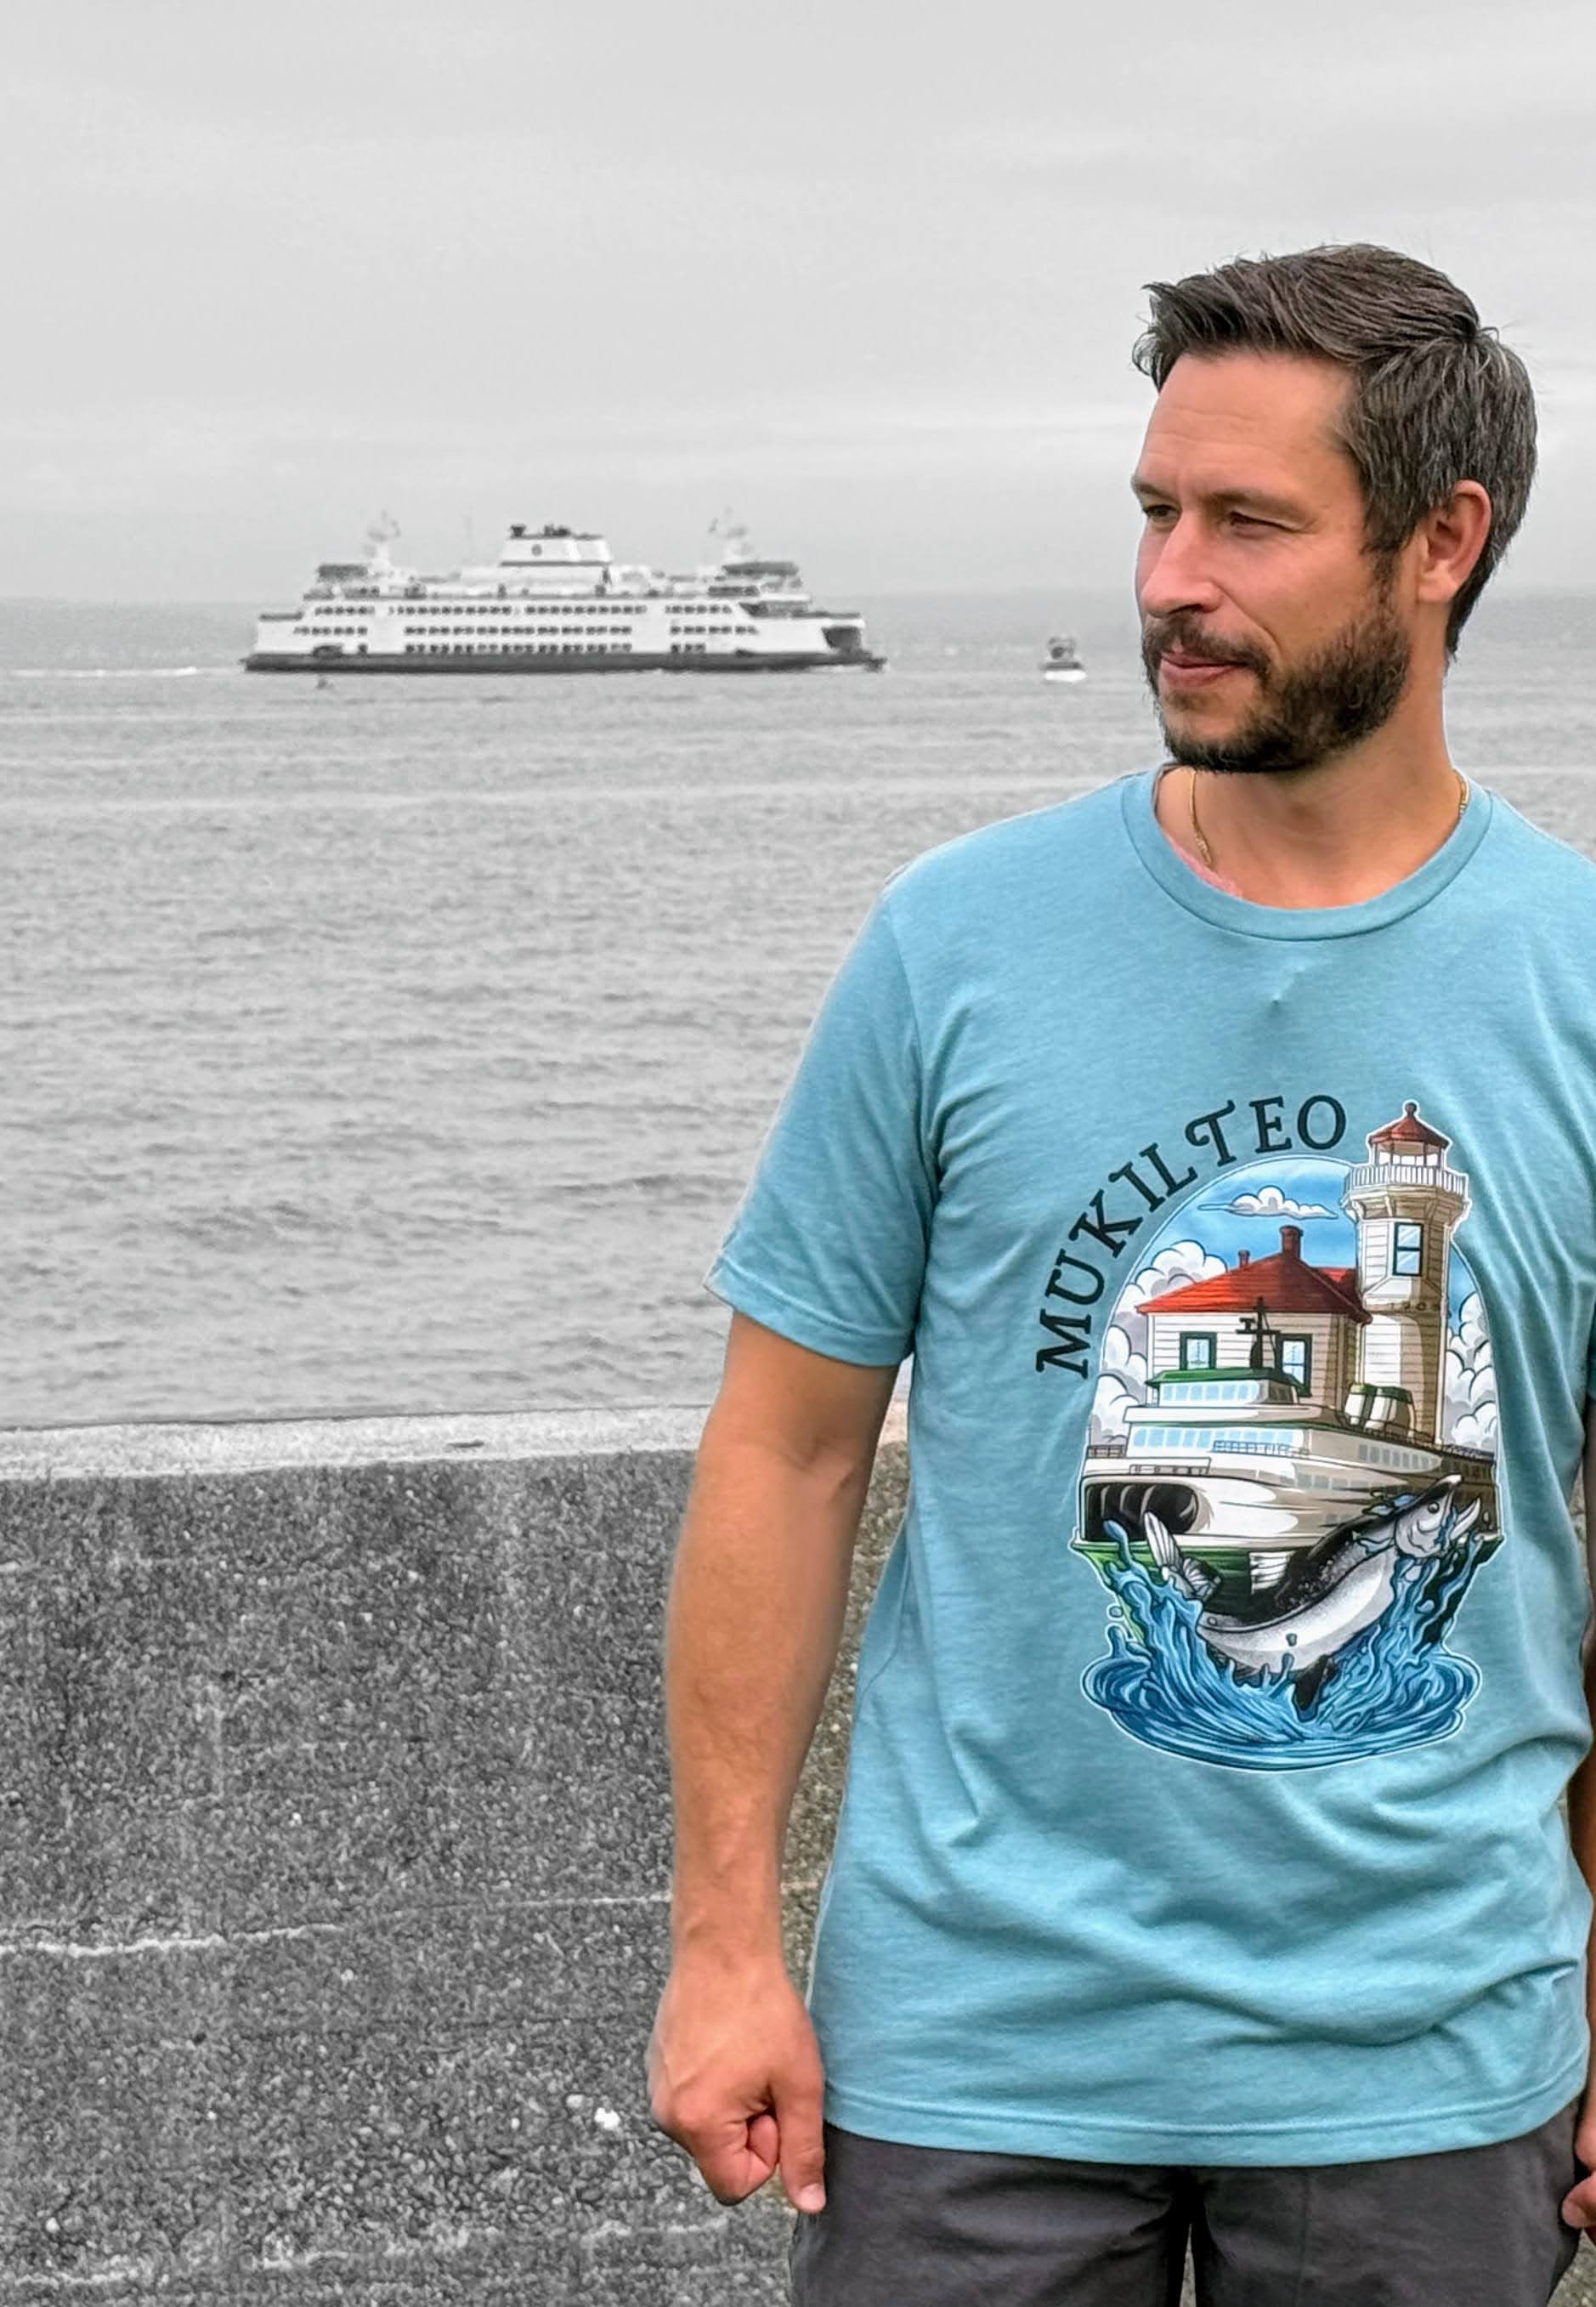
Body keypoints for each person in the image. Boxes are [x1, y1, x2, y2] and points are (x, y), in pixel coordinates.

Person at [646, 242, 1596, 2304]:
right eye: (1157, 511)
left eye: (1250, 521)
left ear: (1443, 546)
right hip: (975, 2054)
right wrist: (725, 1936)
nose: (1171, 579)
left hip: (1431, 2063)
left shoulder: (1579, 979)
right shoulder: (954, 942)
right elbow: (786, 1451)